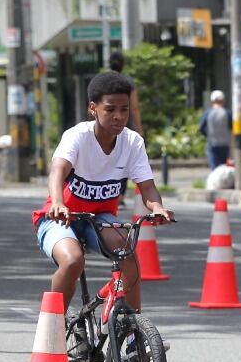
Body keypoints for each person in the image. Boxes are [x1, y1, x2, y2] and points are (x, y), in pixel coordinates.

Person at [36, 71, 175, 318]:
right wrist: (57, 203)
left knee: (127, 251)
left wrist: (157, 208)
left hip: (99, 218)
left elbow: (148, 187)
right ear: (93, 108)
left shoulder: (132, 142)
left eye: (124, 109)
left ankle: (132, 333)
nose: (118, 116)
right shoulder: (77, 136)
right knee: (72, 261)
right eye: (110, 109)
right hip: (59, 218)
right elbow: (57, 170)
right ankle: (52, 327)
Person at [106, 51, 144, 135]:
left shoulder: (101, 82)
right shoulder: (128, 82)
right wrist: (140, 129)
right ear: (123, 65)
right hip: (125, 128)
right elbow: (135, 107)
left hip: (105, 128)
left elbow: (91, 109)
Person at [199, 90, 232, 171]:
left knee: (214, 168)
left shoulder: (208, 112)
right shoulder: (227, 113)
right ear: (222, 100)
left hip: (212, 144)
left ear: (212, 101)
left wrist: (207, 135)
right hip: (224, 144)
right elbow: (232, 127)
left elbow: (201, 127)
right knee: (224, 168)